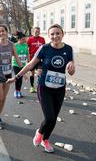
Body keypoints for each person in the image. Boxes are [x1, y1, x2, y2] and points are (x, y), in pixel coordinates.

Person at [7, 24, 75, 153]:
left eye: (58, 33)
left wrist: (72, 66)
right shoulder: (44, 48)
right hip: (44, 87)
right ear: (49, 36)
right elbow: (31, 64)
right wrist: (16, 77)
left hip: (60, 88)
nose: (55, 36)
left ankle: (45, 140)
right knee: (49, 117)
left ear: (62, 34)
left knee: (54, 118)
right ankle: (39, 132)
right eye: (52, 34)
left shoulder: (69, 49)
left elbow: (71, 72)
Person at [26, 27, 45, 93]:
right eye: (36, 31)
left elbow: (44, 49)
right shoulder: (30, 39)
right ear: (33, 32)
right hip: (32, 59)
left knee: (40, 71)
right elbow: (26, 49)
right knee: (32, 73)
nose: (37, 33)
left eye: (38, 31)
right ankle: (32, 87)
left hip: (40, 59)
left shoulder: (42, 39)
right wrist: (27, 59)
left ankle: (39, 86)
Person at [12, 31, 29, 98]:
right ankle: (16, 91)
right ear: (19, 39)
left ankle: (19, 91)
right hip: (15, 64)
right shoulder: (15, 45)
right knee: (18, 77)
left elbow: (27, 54)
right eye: (23, 39)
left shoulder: (25, 45)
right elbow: (13, 54)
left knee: (21, 78)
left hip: (23, 64)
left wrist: (28, 61)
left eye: (24, 39)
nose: (24, 40)